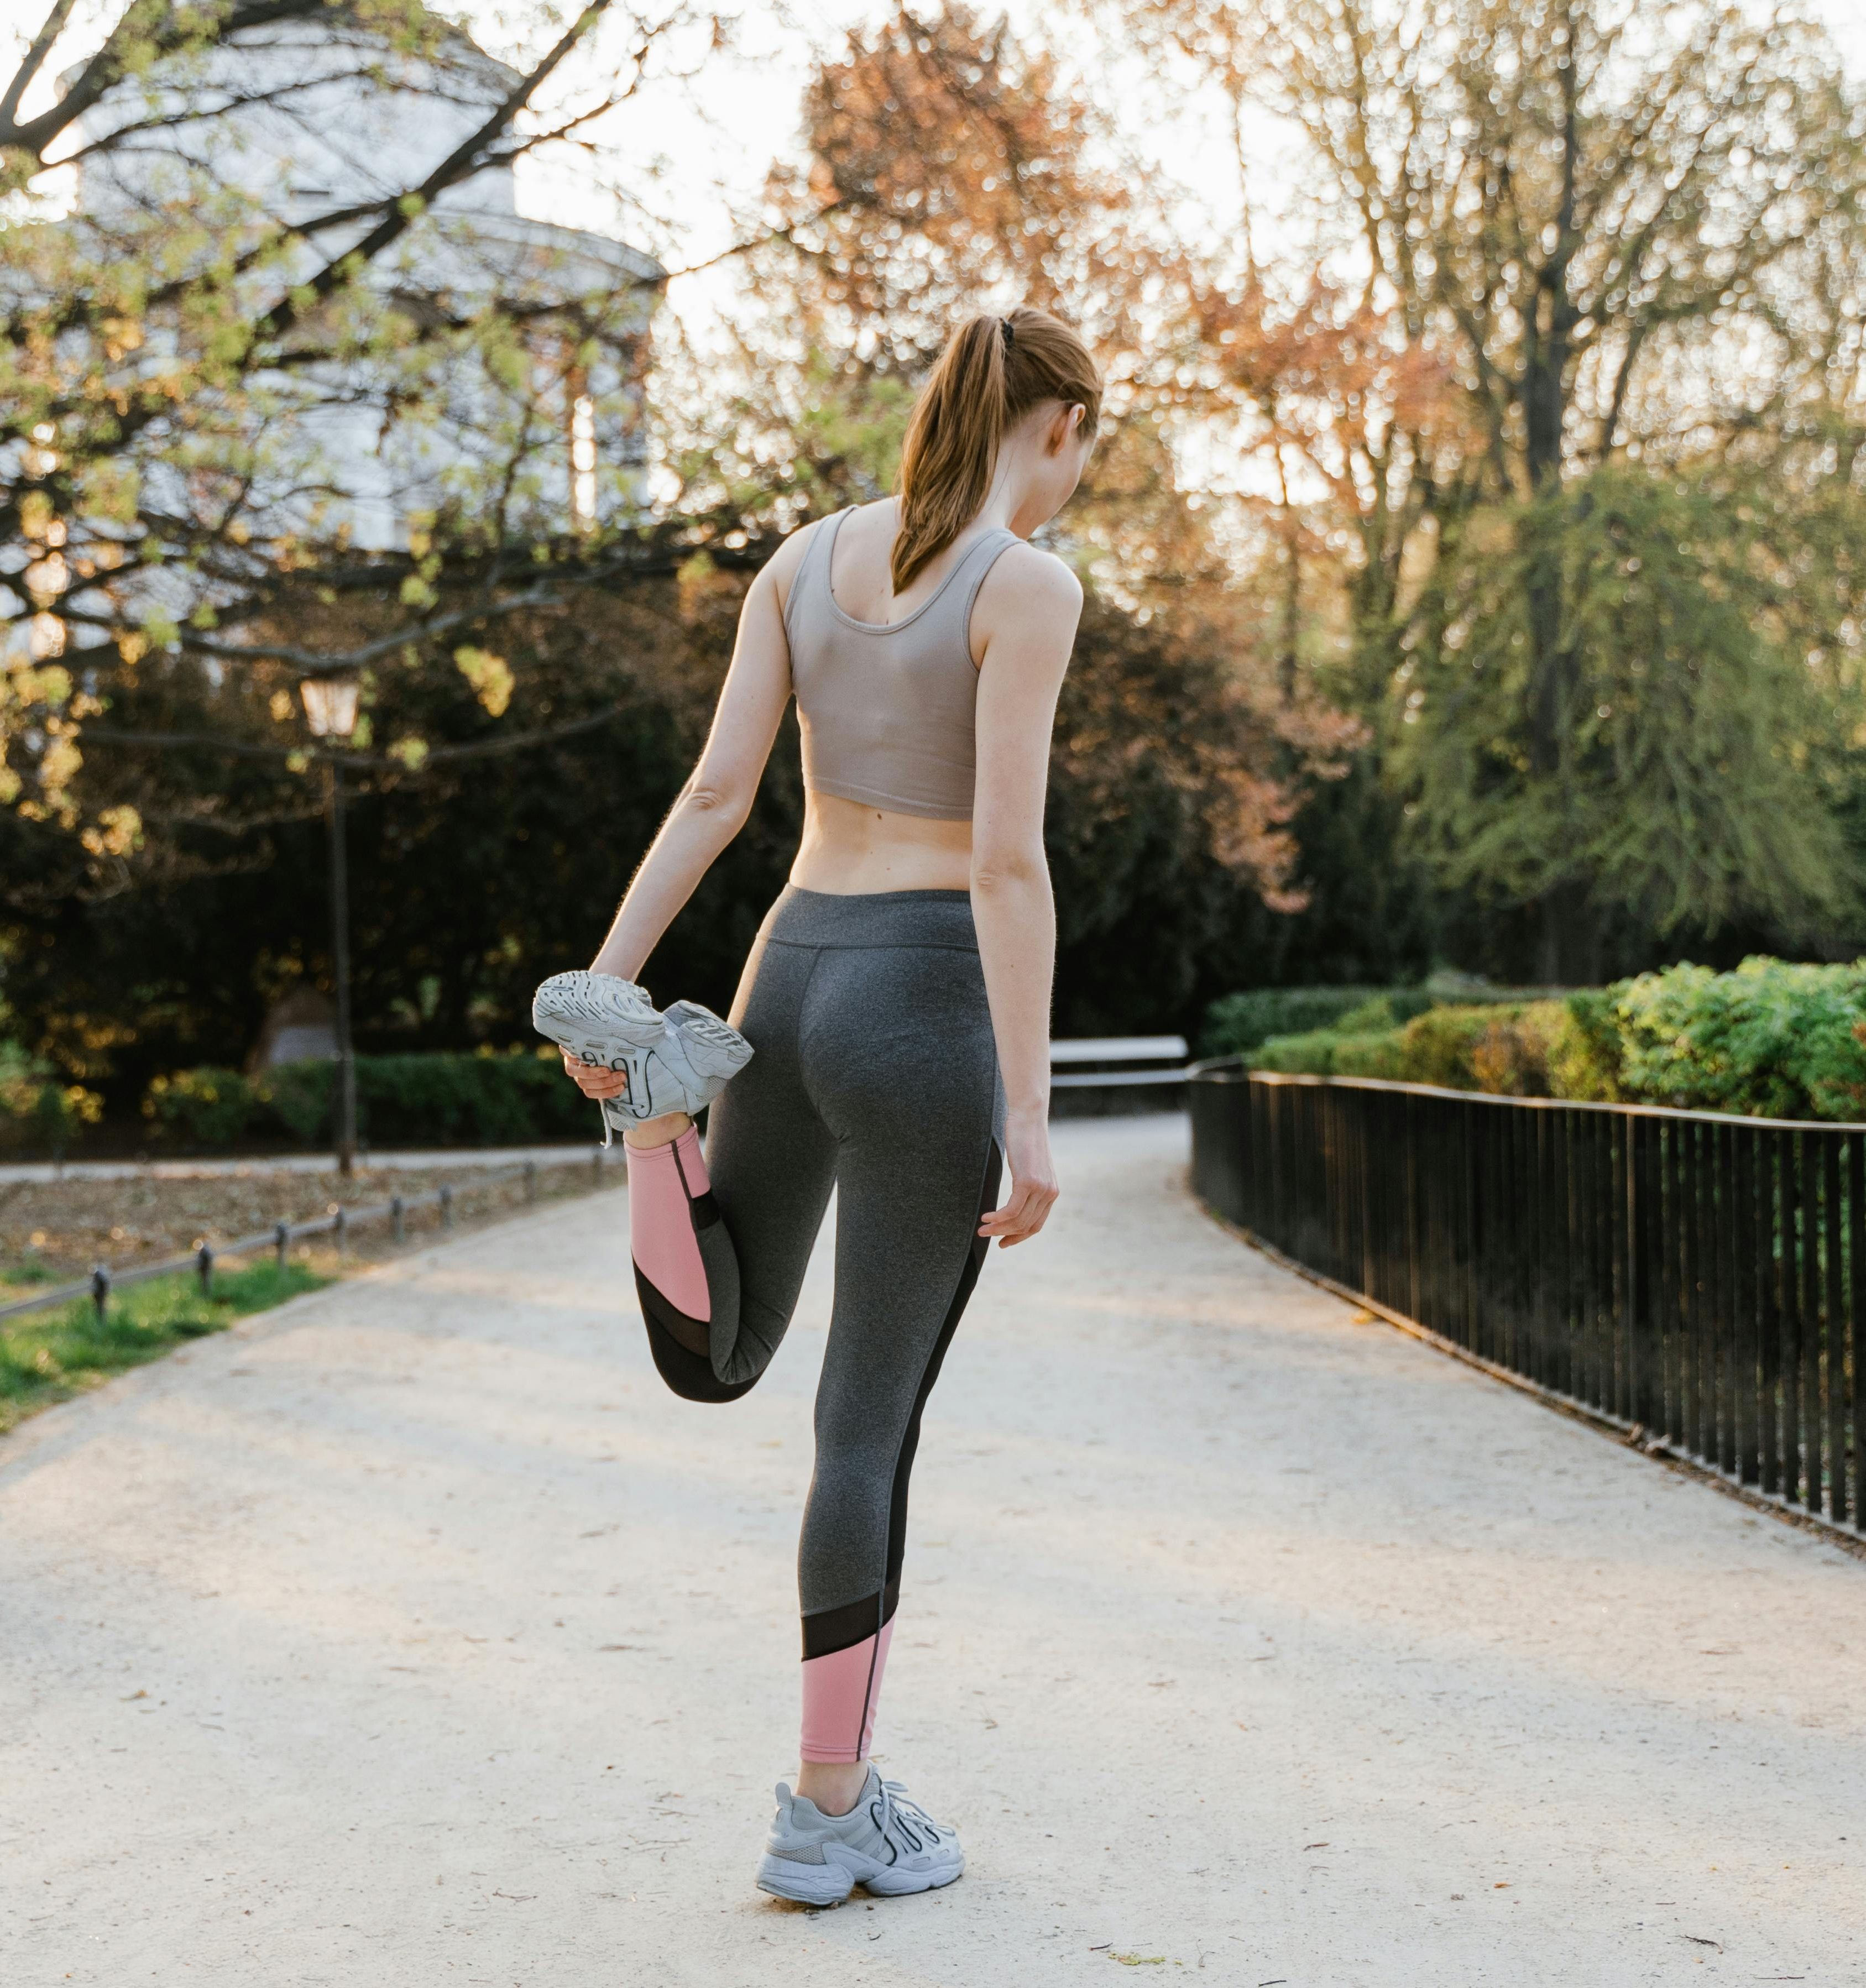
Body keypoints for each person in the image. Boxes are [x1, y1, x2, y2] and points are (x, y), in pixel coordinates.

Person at [532, 306, 1100, 1907]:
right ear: (1055, 428)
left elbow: (719, 793)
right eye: (1079, 455)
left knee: (718, 1352)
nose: (1070, 489)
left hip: (788, 971)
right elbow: (1006, 861)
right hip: (925, 1003)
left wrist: (614, 976)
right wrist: (1036, 1121)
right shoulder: (1029, 586)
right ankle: (829, 1810)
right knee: (863, 1431)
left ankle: (655, 1120)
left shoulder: (800, 561)